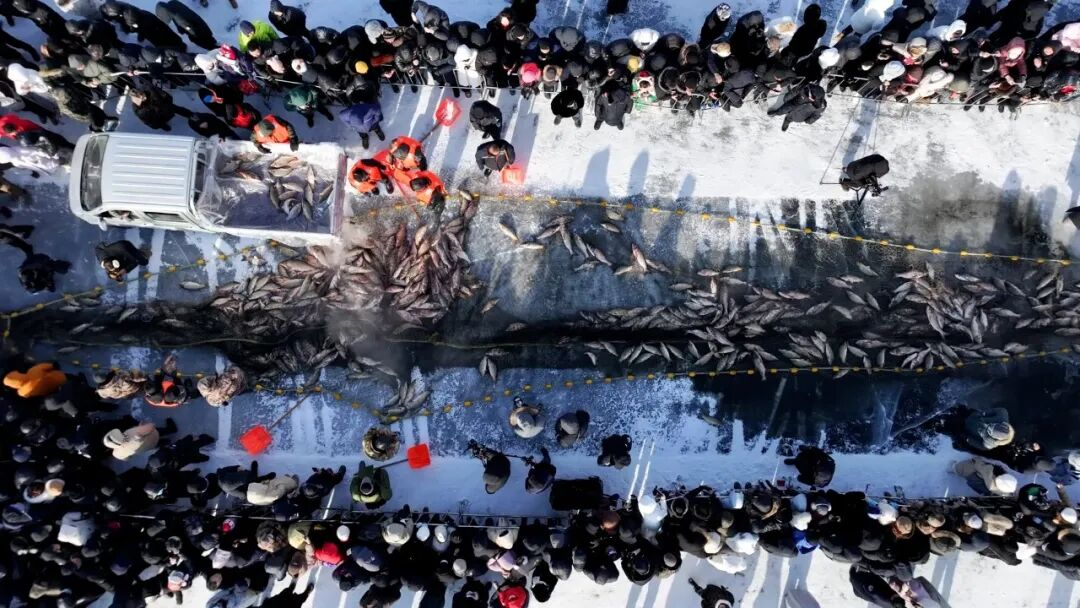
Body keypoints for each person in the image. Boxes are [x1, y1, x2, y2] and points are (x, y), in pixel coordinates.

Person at [952, 457, 1019, 496]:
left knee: (957, 468)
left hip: (963, 469)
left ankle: (952, 468)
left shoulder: (989, 470)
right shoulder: (999, 492)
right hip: (973, 475)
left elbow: (978, 463)